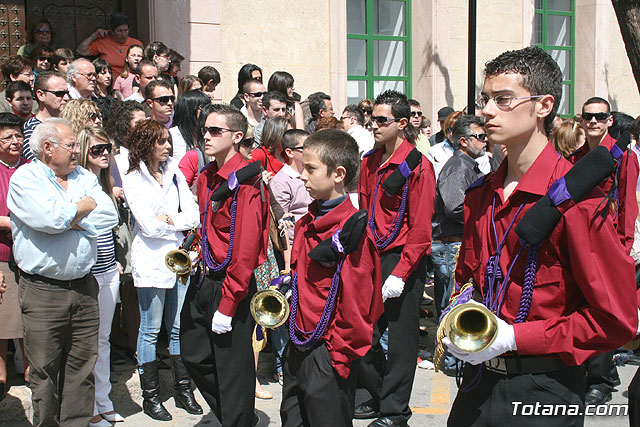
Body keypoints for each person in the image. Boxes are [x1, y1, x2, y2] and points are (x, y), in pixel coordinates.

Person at [443, 45, 637, 426]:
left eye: (503, 99)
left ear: (544, 106)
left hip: (544, 389)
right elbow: (467, 278)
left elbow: (616, 320)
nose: (486, 110)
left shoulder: (578, 202)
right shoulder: (480, 194)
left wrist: (517, 338)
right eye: (485, 99)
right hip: (477, 386)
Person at [7, 117, 119, 427]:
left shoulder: (83, 175)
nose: (76, 151)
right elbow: (49, 219)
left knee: (82, 367)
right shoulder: (25, 179)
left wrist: (68, 214)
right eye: (70, 145)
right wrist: (81, 209)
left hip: (84, 286)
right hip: (44, 290)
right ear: (47, 148)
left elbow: (107, 215)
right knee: (45, 370)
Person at [280, 128, 383, 426]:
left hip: (328, 351)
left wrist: (337, 357)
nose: (302, 176)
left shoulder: (354, 232)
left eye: (311, 169)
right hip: (298, 343)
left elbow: (360, 306)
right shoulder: (305, 223)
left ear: (338, 174)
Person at [180, 103, 269, 427]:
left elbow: (245, 250)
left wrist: (229, 304)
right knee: (193, 352)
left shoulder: (247, 182)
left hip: (232, 283)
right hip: (205, 277)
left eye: (215, 131)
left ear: (236, 137)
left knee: (233, 367)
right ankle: (238, 415)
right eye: (204, 129)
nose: (206, 136)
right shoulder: (206, 176)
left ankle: (237, 418)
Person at [356, 90, 436, 426]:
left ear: (402, 124)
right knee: (363, 335)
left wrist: (401, 272)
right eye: (371, 119)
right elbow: (362, 210)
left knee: (402, 343)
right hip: (370, 258)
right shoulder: (369, 163)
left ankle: (395, 412)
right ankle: (378, 394)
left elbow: (420, 228)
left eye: (381, 120)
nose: (373, 125)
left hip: (403, 261)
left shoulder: (419, 167)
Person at [122, 120, 202, 421]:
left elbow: (193, 215)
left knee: (178, 327)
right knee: (151, 329)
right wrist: (173, 220)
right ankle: (151, 397)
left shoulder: (175, 173)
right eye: (160, 141)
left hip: (179, 258)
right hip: (152, 259)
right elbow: (147, 225)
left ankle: (184, 391)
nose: (167, 146)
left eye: (168, 140)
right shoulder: (132, 179)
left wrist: (171, 220)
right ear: (145, 144)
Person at [570, 99, 640, 406]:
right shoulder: (574, 158)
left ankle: (600, 379)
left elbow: (627, 204)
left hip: (611, 245)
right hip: (581, 242)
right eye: (589, 116)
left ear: (610, 120)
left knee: (603, 310)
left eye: (600, 116)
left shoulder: (623, 157)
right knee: (579, 306)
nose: (594, 121)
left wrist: (624, 249)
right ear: (582, 121)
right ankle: (595, 371)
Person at [431, 114, 487, 376]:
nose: (485, 142)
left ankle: (455, 359)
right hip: (450, 244)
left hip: (454, 243)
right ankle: (452, 362)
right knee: (453, 303)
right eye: (480, 137)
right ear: (464, 141)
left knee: (456, 300)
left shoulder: (467, 165)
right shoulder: (458, 167)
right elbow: (455, 205)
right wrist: (482, 218)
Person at [76, 127, 124, 427]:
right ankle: (89, 406)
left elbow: (111, 225)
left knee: (103, 340)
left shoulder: (104, 184)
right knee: (87, 343)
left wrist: (117, 261)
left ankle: (104, 402)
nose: (105, 153)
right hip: (88, 272)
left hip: (108, 270)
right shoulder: (79, 184)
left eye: (107, 147)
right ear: (83, 153)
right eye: (97, 149)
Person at [0, 113, 29, 403]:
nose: (14, 142)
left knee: (27, 320)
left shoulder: (30, 168)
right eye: (7, 137)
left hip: (30, 257)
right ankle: (2, 375)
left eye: (18, 136)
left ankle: (32, 371)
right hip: (2, 255)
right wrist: (11, 224)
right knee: (3, 321)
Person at [76, 12, 143, 77]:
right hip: (108, 83)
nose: (123, 34)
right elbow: (81, 50)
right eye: (119, 31)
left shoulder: (136, 44)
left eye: (126, 30)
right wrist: (94, 36)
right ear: (112, 31)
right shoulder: (104, 42)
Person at [22, 71, 70, 161]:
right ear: (41, 95)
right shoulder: (31, 130)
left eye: (67, 93)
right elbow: (35, 165)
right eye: (59, 93)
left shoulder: (69, 125)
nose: (66, 98)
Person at [169, 89, 211, 161]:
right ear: (190, 110)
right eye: (203, 108)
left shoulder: (206, 134)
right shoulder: (172, 136)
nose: (207, 112)